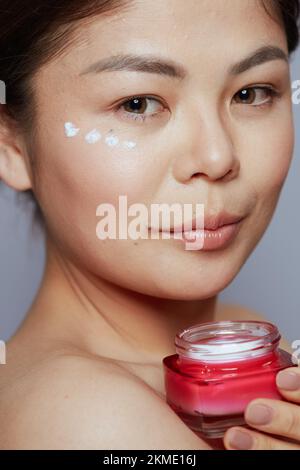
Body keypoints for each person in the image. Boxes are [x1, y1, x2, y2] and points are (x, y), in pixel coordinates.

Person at [0, 0, 299, 450]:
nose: (217, 158)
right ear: (12, 146)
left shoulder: (241, 341)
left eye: (251, 93)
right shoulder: (90, 421)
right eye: (138, 103)